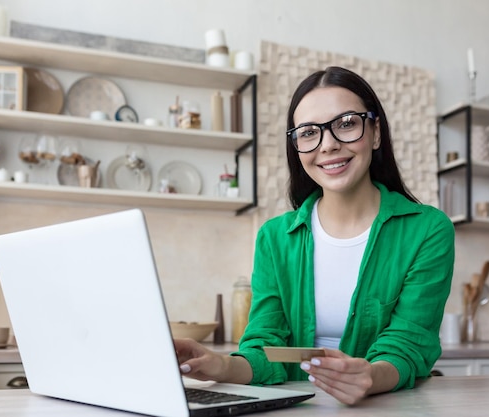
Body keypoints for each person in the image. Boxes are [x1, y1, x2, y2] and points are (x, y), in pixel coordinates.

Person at [174, 66, 455, 405]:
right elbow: (267, 346)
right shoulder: (274, 238)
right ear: (296, 146)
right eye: (309, 132)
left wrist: (369, 375)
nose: (329, 144)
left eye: (347, 124)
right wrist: (220, 365)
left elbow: (409, 343)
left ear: (375, 132)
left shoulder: (427, 229)